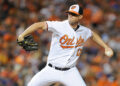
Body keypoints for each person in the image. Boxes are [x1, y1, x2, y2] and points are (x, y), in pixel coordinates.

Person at [17, 4, 113, 86]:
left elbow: (92, 34)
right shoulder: (59, 25)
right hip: (51, 69)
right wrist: (22, 35)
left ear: (80, 17)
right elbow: (39, 25)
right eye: (69, 13)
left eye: (74, 14)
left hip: (70, 72)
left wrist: (106, 46)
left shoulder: (84, 31)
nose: (70, 16)